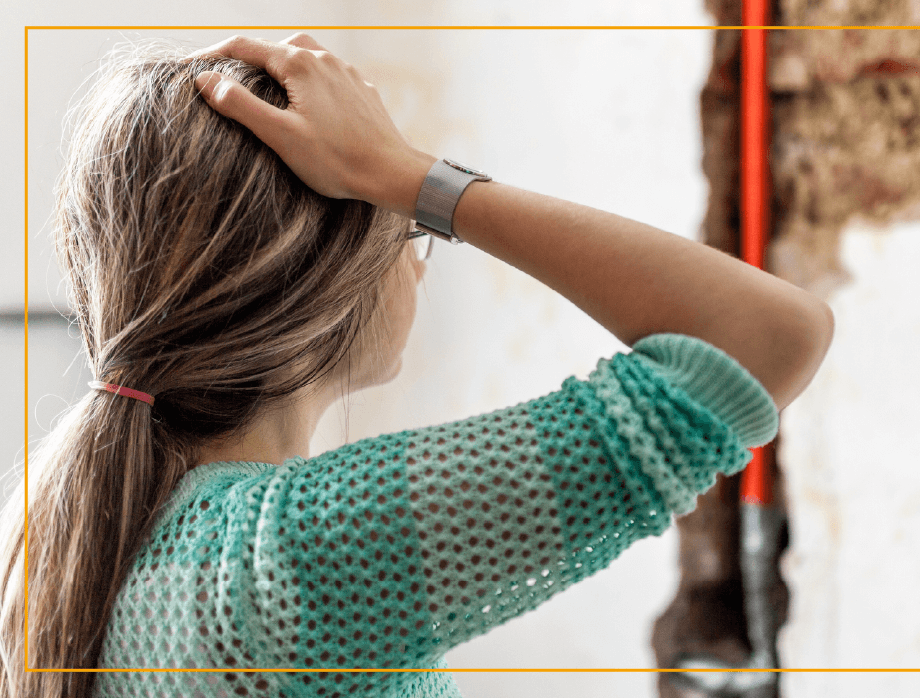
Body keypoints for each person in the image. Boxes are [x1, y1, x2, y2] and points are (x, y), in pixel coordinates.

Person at [0, 32, 833, 698]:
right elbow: (766, 337)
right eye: (407, 228)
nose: (421, 259)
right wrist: (405, 175)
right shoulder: (296, 557)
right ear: (316, 284)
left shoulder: (54, 541)